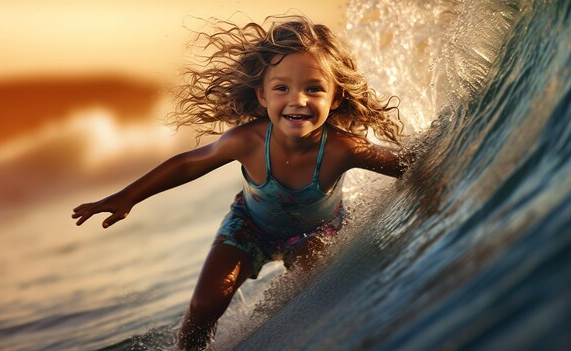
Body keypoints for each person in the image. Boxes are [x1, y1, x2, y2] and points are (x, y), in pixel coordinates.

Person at [72, 15, 407, 350]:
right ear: (262, 96)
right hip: (248, 227)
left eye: (314, 89)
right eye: (282, 88)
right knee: (205, 305)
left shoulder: (342, 149)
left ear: (334, 98)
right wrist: (128, 197)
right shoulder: (246, 141)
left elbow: (407, 166)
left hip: (316, 233)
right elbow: (189, 164)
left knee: (314, 290)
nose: (298, 99)